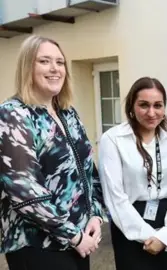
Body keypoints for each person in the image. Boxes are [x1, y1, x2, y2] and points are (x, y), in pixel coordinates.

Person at [0, 35, 105, 270]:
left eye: (60, 62)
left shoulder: (68, 113)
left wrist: (95, 216)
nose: (54, 68)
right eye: (44, 61)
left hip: (78, 239)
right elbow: (23, 190)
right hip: (38, 245)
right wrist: (74, 236)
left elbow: (88, 170)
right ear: (28, 67)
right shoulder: (13, 115)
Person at [98, 77, 167, 270]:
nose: (151, 112)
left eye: (158, 105)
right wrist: (147, 236)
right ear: (132, 106)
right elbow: (115, 197)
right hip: (129, 225)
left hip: (166, 224)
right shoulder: (113, 140)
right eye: (144, 105)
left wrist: (166, 236)